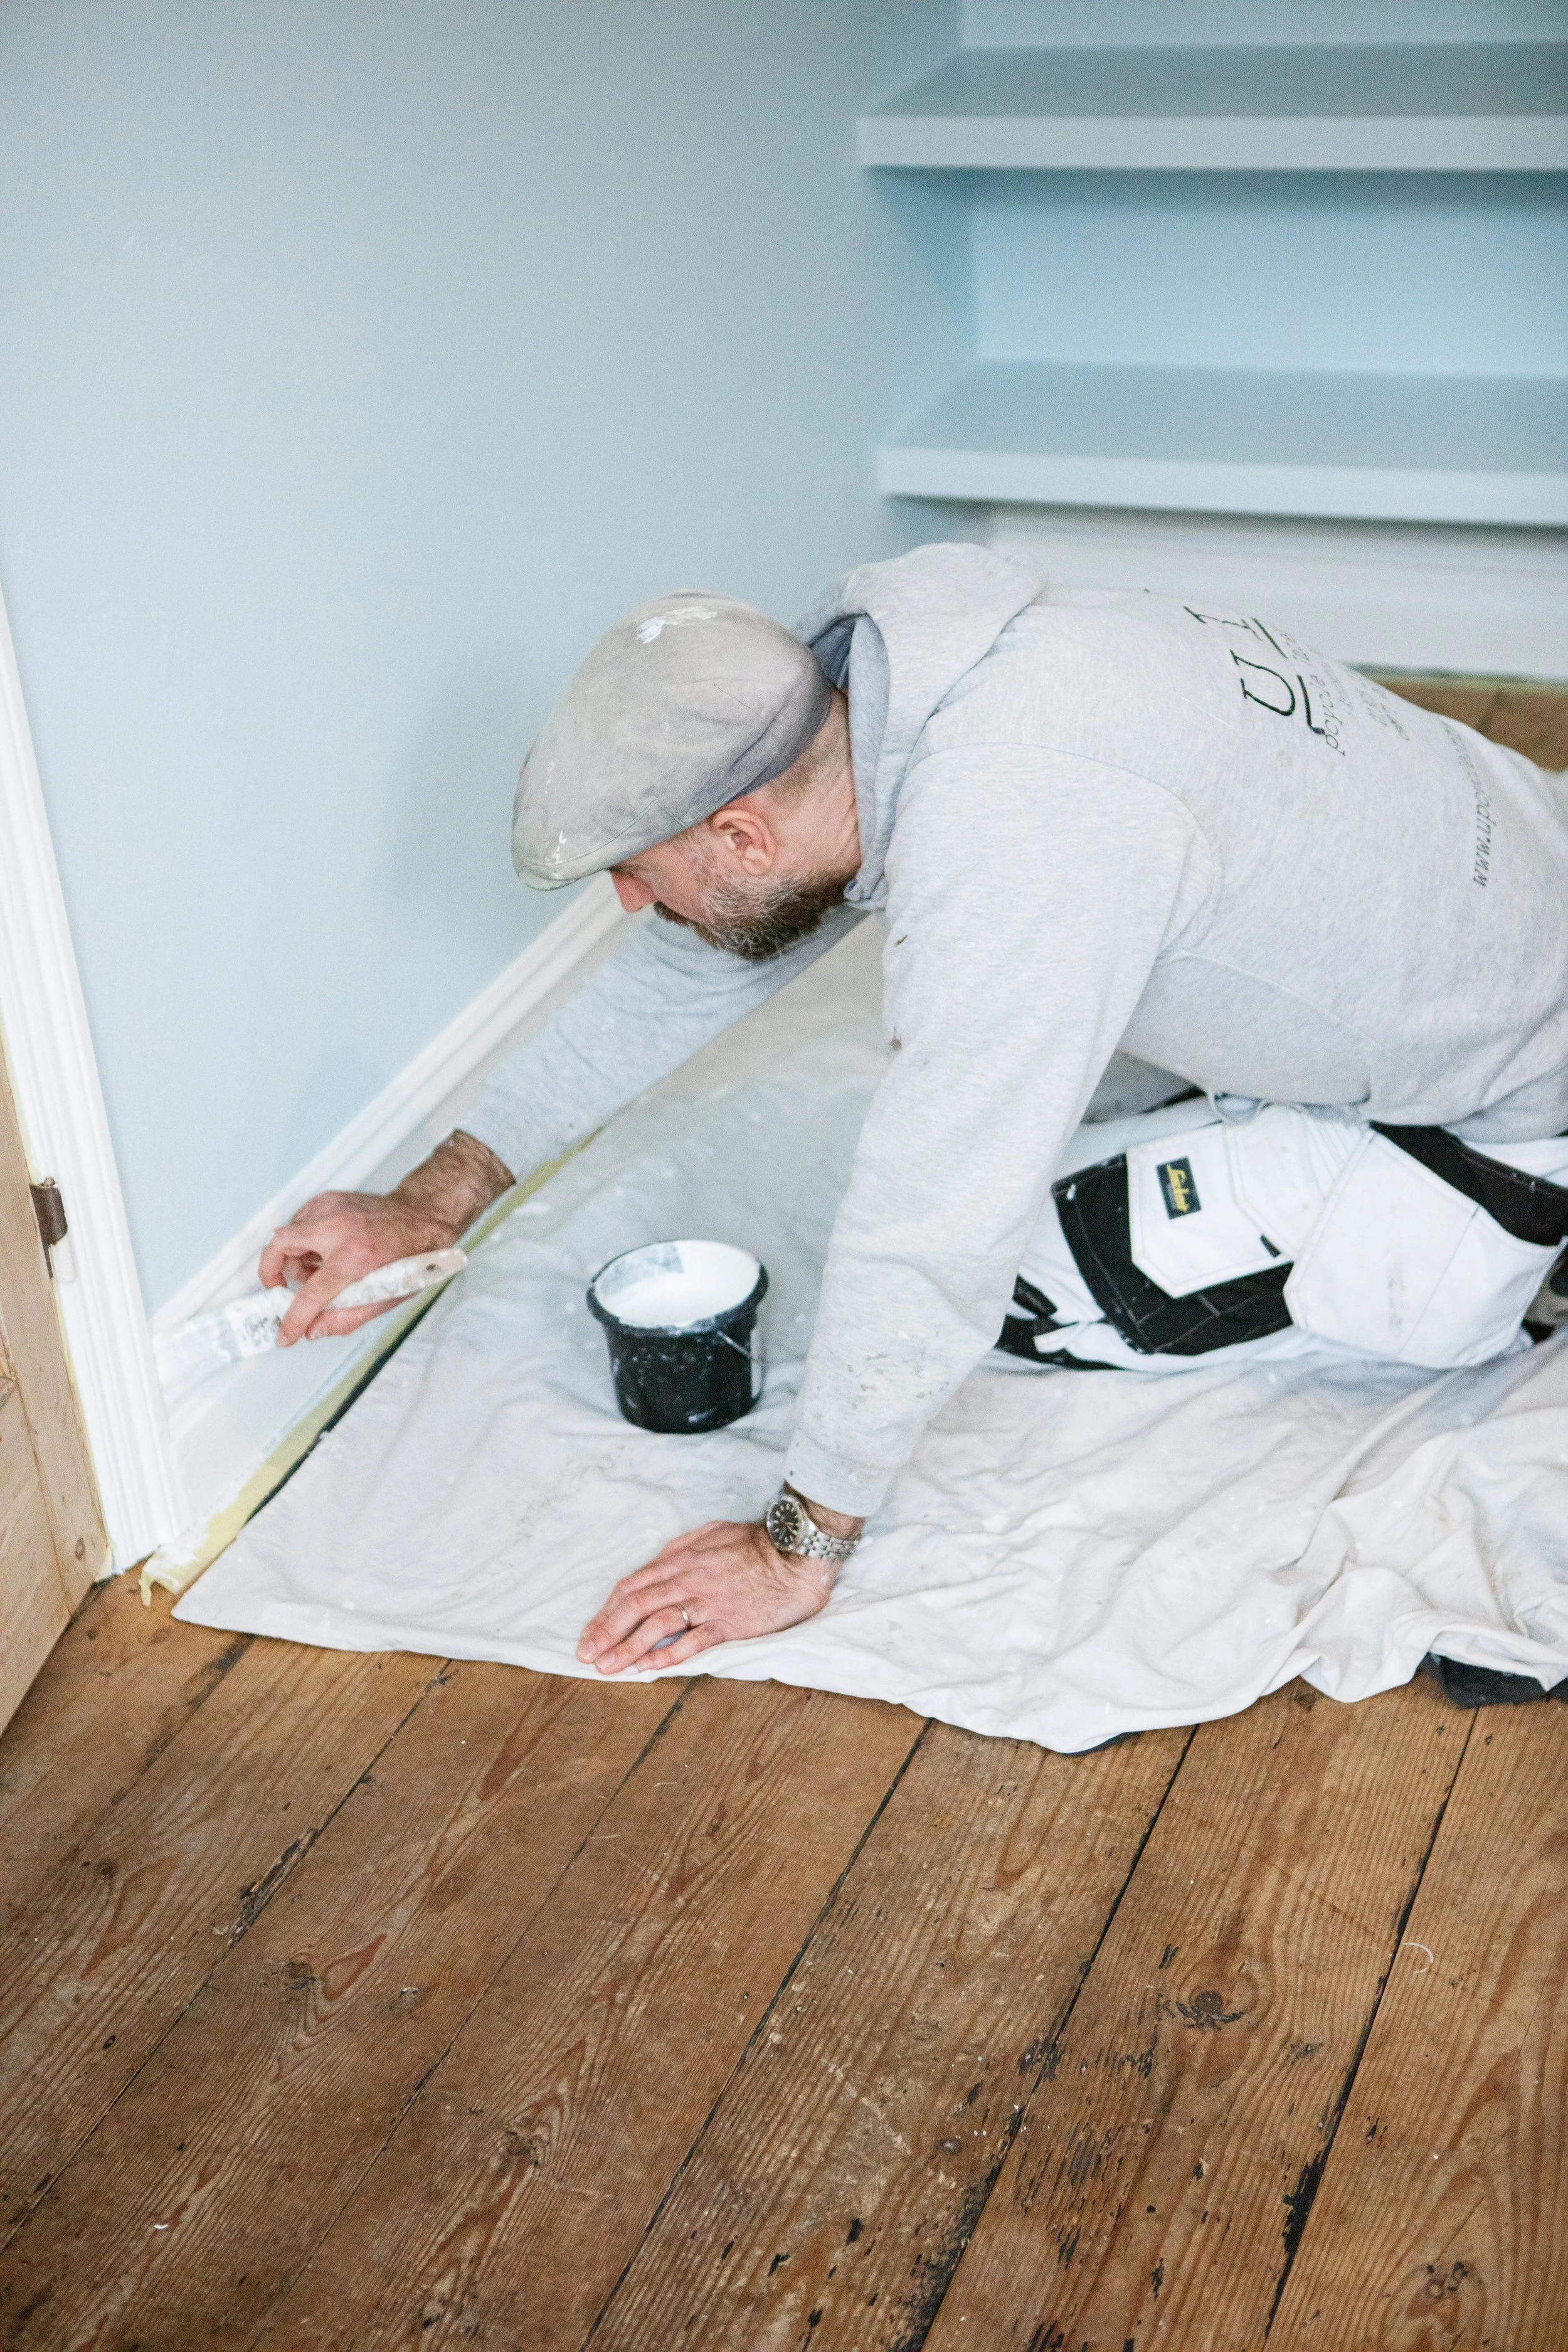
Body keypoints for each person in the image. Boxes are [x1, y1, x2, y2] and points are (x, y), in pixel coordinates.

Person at [258, 544, 1568, 1684]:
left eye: (642, 878)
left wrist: (798, 1539)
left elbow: (938, 1205)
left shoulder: (1019, 827)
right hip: (1521, 886)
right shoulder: (909, 681)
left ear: (742, 837)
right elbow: (686, 972)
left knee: (1001, 1290)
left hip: (1512, 1105)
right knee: (1031, 1098)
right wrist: (434, 1196)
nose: (630, 909)